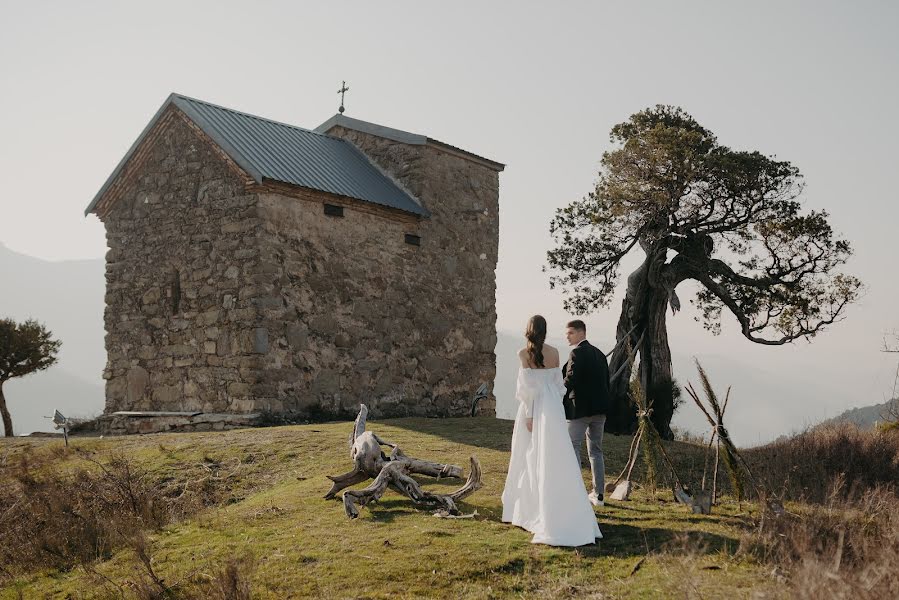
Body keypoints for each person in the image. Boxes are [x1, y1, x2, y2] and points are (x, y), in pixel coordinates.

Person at [501, 315, 602, 546]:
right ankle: (558, 508)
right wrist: (552, 407)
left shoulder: (522, 354)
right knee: (555, 456)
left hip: (533, 408)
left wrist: (529, 415)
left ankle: (531, 508)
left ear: (529, 330)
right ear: (545, 331)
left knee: (528, 454)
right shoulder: (556, 353)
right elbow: (559, 387)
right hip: (553, 409)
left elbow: (526, 390)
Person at [563, 320, 611, 507]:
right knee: (596, 452)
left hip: (580, 410)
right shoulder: (599, 354)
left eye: (571, 333)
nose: (567, 336)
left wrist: (557, 395)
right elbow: (607, 382)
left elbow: (570, 380)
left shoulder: (576, 352)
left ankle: (577, 491)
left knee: (572, 447)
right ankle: (599, 495)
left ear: (581, 333)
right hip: (600, 410)